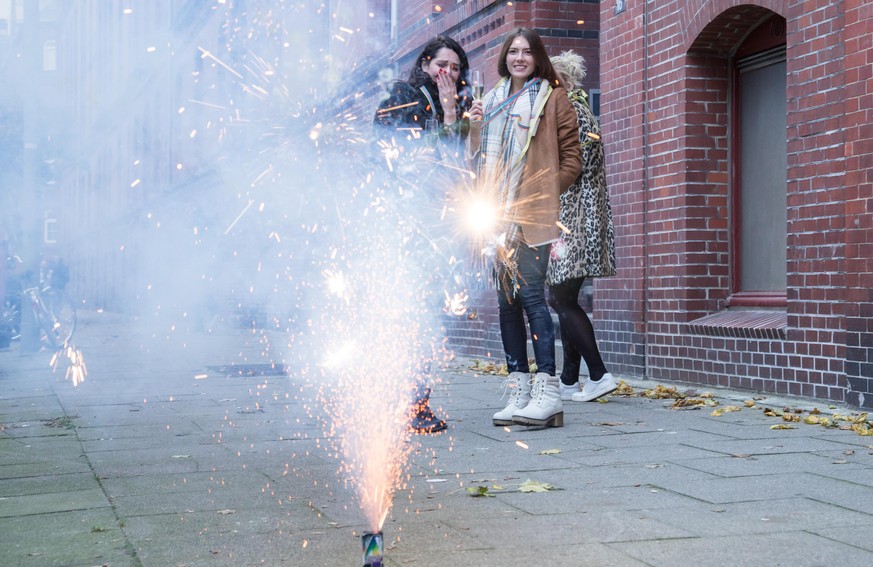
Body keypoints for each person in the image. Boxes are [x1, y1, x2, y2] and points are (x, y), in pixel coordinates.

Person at [468, 28, 582, 428]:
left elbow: (573, 159)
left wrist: (543, 193)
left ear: (537, 57)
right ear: (504, 57)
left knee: (532, 298)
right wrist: (475, 127)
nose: (519, 57)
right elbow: (477, 158)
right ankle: (519, 390)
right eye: (513, 51)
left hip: (530, 214)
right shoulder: (492, 99)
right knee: (507, 305)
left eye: (527, 51)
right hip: (495, 215)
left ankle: (547, 391)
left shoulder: (552, 98)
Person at [372, 36, 473, 434]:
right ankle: (401, 401)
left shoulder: (456, 107)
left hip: (438, 225)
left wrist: (456, 116)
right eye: (442, 65)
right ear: (426, 64)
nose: (448, 74)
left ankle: (416, 403)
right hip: (404, 222)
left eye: (456, 68)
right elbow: (400, 154)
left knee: (429, 316)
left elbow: (457, 163)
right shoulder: (403, 94)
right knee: (407, 313)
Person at [546, 51, 618, 403]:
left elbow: (566, 168)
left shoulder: (570, 112)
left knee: (559, 297)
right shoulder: (576, 110)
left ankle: (599, 374)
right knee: (565, 297)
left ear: (569, 82)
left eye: (552, 80)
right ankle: (569, 380)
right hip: (580, 216)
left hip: (573, 217)